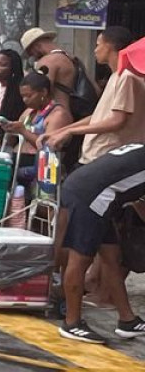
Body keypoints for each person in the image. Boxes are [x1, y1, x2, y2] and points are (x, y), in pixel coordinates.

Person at [54, 140, 145, 344]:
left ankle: (127, 320)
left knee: (111, 257)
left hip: (91, 189)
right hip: (94, 196)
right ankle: (72, 322)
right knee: (80, 258)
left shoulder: (139, 147)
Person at [48, 25, 145, 163]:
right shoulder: (116, 76)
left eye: (98, 45)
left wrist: (71, 132)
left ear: (109, 46)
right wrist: (61, 131)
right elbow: (100, 116)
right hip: (96, 155)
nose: (95, 50)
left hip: (109, 156)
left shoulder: (127, 77)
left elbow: (117, 120)